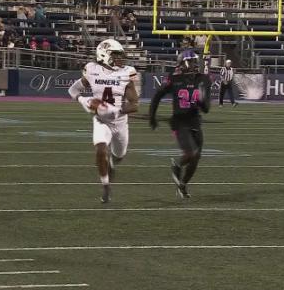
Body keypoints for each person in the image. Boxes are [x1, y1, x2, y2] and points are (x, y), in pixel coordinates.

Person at [67, 39, 139, 203]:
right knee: (100, 149)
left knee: (119, 154)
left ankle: (112, 164)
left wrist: (117, 111)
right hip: (100, 120)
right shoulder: (92, 70)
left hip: (120, 121)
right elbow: (73, 90)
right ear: (104, 55)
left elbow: (135, 105)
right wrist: (83, 101)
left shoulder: (127, 72)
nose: (120, 59)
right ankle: (106, 186)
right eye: (116, 55)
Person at [149, 50, 211, 199]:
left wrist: (202, 100)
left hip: (195, 120)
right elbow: (157, 95)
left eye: (196, 62)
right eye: (191, 62)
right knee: (191, 153)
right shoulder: (174, 78)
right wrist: (152, 116)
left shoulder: (203, 79)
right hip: (179, 121)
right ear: (182, 64)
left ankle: (182, 185)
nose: (194, 65)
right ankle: (177, 165)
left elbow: (206, 109)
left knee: (196, 158)